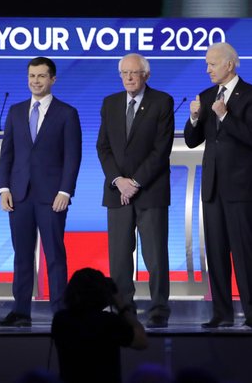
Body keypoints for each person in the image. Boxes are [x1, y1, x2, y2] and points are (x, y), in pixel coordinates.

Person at [184, 42, 252, 329]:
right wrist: (194, 117)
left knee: (244, 251)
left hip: (241, 187)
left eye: (212, 64)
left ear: (229, 64)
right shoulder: (207, 96)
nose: (207, 69)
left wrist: (224, 115)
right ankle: (221, 312)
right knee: (215, 252)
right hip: (212, 187)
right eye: (207, 64)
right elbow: (193, 141)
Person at [0, 57, 82, 327]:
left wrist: (65, 191)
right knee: (22, 255)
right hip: (19, 195)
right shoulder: (15, 111)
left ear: (53, 79)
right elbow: (6, 153)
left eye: (41, 76)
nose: (36, 81)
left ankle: (61, 313)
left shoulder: (67, 113)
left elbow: (72, 156)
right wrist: (3, 188)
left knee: (54, 254)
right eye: (32, 76)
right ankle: (20, 311)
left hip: (51, 196)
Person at [97, 53, 175, 328]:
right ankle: (122, 308)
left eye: (134, 73)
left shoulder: (162, 102)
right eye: (124, 73)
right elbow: (103, 147)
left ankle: (158, 309)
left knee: (155, 256)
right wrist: (119, 180)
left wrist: (135, 182)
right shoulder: (110, 104)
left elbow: (161, 149)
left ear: (146, 75)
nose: (129, 78)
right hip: (117, 192)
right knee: (119, 257)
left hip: (150, 191)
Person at [52, 268, 148, 383]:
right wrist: (121, 306)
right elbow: (141, 341)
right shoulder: (108, 321)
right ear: (101, 294)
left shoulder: (60, 320)